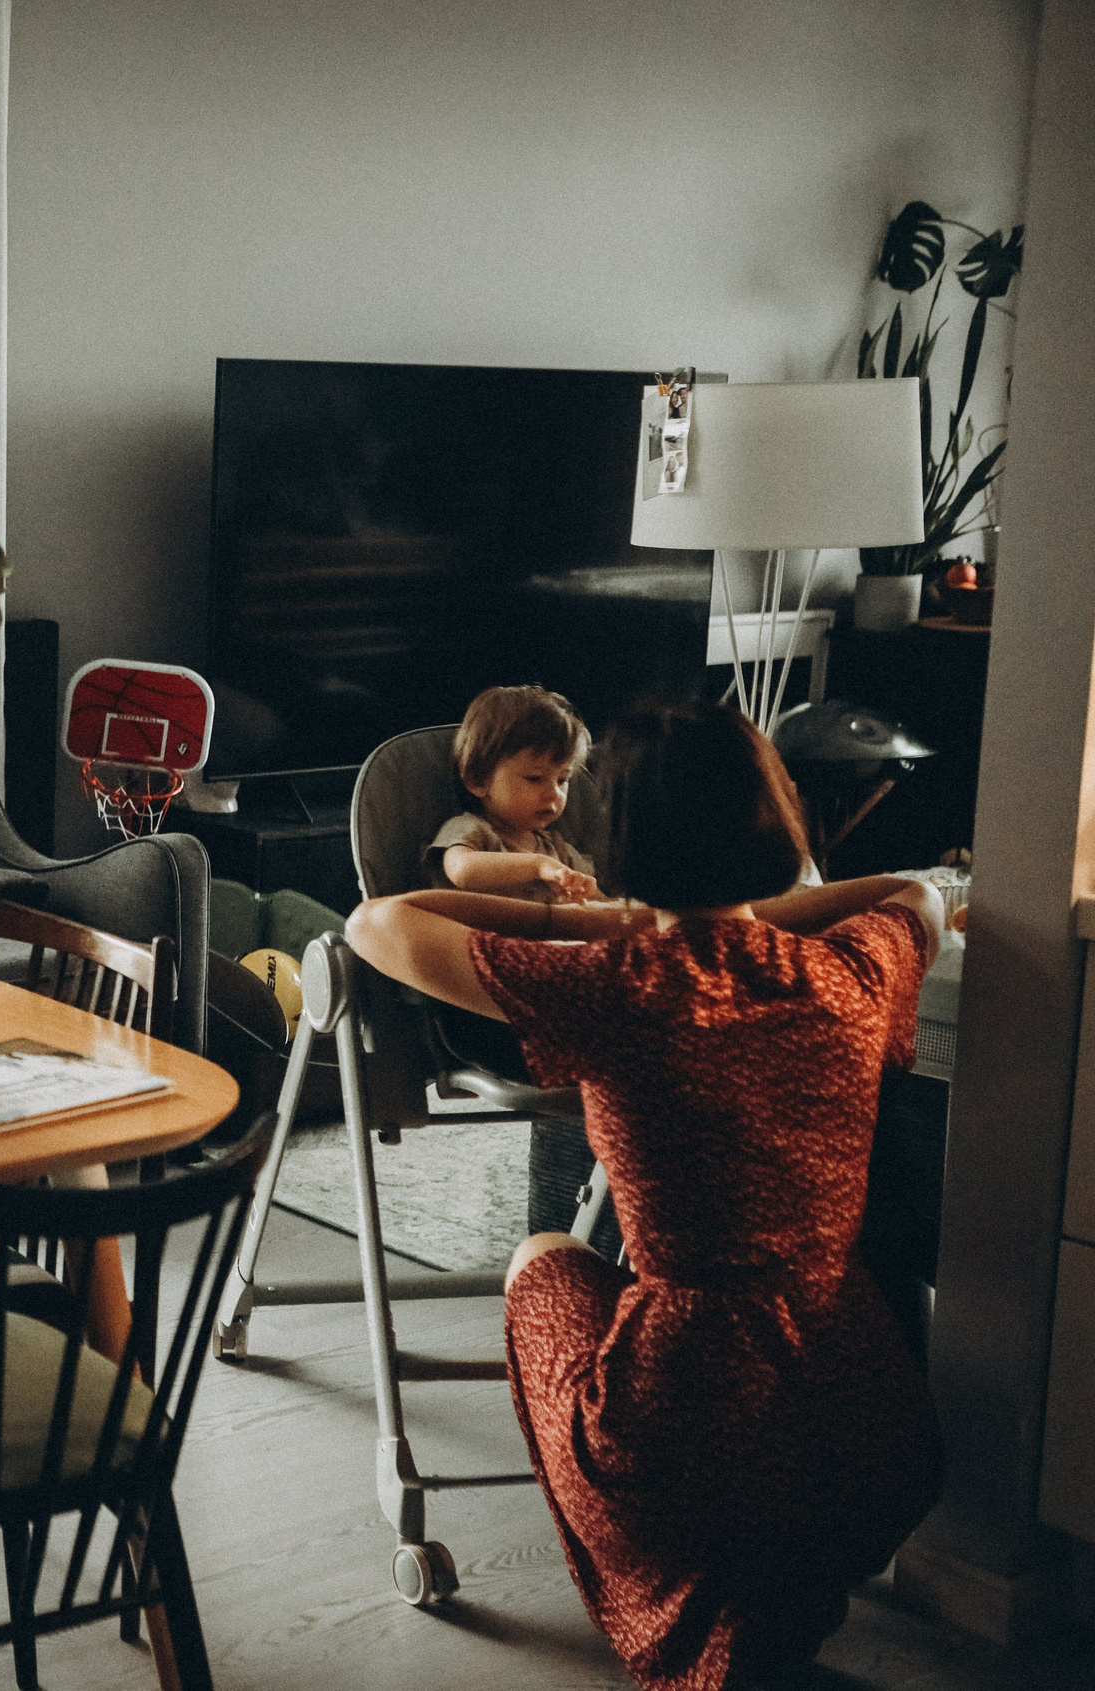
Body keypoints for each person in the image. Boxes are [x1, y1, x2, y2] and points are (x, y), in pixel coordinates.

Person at [346, 701, 942, 1691]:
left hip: (679, 1436)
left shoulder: (617, 984)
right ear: (779, 824)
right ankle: (763, 1610)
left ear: (619, 843)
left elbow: (379, 923)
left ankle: (699, 1609)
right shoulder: (856, 967)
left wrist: (603, 920)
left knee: (544, 1258)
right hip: (872, 1435)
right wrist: (743, 900)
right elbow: (913, 892)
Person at [425, 685, 600, 905]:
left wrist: (591, 895)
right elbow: (462, 871)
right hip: (483, 937)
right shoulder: (472, 829)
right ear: (478, 780)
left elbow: (598, 899)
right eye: (535, 778)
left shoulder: (557, 848)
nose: (554, 793)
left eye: (562, 780)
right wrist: (538, 866)